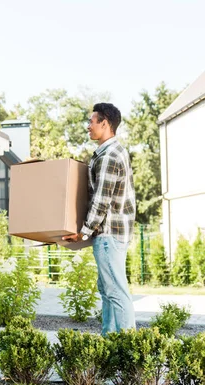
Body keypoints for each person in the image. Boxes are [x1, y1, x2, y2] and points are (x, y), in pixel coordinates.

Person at [63, 103, 136, 335]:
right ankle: (110, 342)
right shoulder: (113, 152)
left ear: (105, 123)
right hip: (113, 233)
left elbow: (102, 200)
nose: (88, 126)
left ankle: (127, 348)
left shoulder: (109, 156)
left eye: (92, 121)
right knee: (108, 290)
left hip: (108, 234)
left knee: (115, 292)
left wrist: (83, 232)